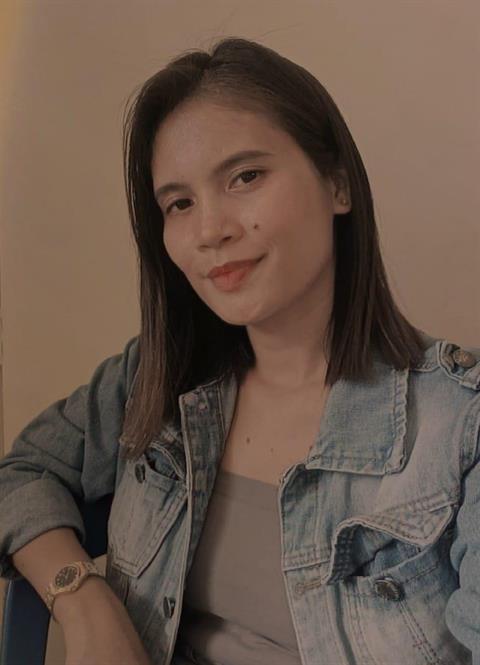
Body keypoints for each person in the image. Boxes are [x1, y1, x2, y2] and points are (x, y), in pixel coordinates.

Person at [0, 36, 479, 665]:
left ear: (337, 184)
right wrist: (83, 600)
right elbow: (22, 474)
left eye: (245, 177)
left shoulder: (461, 425)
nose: (210, 230)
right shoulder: (155, 378)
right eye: (180, 203)